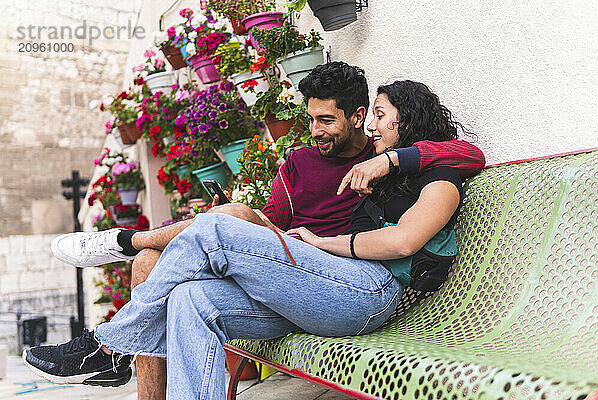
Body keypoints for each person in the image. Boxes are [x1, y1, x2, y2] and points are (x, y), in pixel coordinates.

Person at [24, 63, 485, 399]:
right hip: (317, 285)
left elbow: (408, 234)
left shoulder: (435, 176)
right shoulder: (348, 168)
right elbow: (275, 221)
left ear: (404, 121)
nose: (372, 126)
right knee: (192, 298)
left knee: (219, 231)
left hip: (367, 288)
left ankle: (109, 342)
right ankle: (117, 326)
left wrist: (377, 173)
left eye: (380, 116)